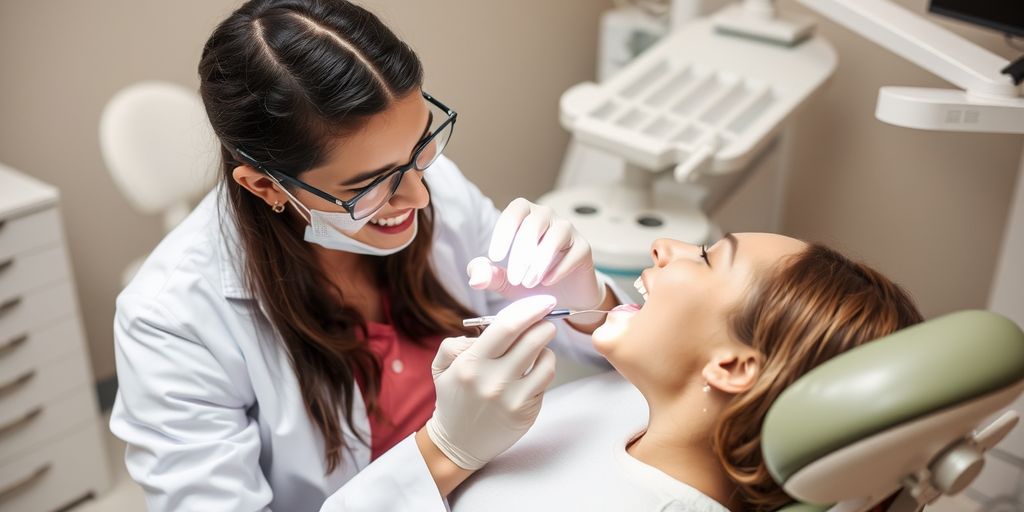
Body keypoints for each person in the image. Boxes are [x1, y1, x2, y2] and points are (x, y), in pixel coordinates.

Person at [108, 1, 621, 510]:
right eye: (369, 186)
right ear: (265, 186)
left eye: (420, 149)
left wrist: (587, 302)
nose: (419, 196)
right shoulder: (168, 321)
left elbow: (606, 351)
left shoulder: (423, 183)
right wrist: (446, 452)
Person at [449, 233, 924, 512]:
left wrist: (443, 450)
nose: (662, 247)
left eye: (705, 258)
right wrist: (594, 305)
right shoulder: (655, 402)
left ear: (732, 365)